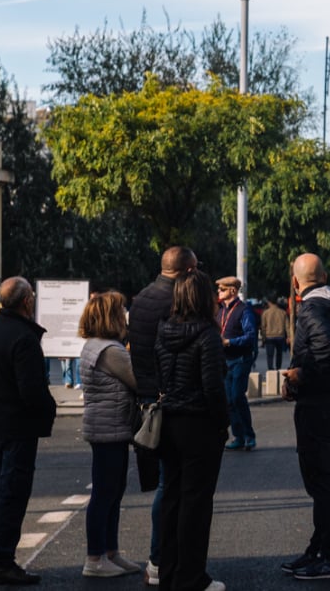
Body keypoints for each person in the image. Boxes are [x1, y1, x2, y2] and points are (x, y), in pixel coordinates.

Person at [0, 277, 57, 585]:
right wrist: (49, 408)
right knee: (13, 492)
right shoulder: (24, 338)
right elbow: (32, 391)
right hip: (18, 425)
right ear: (26, 301)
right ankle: (2, 561)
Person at [280, 253, 330, 581]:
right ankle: (319, 547)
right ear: (325, 276)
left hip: (319, 406)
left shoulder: (312, 309)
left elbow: (323, 348)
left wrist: (300, 375)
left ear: (296, 282)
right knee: (328, 482)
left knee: (322, 484)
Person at [126, 245, 198, 586]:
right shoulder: (179, 301)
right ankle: (163, 558)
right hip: (173, 399)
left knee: (165, 483)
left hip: (145, 398)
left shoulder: (141, 298)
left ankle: (159, 560)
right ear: (187, 270)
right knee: (175, 486)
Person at [155, 270, 229, 591]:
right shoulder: (207, 334)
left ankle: (168, 572)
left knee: (171, 499)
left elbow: (159, 374)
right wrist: (223, 422)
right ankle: (191, 577)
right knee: (196, 504)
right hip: (199, 423)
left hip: (169, 420)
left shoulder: (163, 330)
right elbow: (213, 387)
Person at [77, 291, 141, 579]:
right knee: (105, 493)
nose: (125, 316)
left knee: (112, 491)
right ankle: (95, 557)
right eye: (121, 311)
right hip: (109, 426)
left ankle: (110, 552)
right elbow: (137, 380)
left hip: (106, 425)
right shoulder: (110, 351)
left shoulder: (95, 345)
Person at [217, 276, 258, 451]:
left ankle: (249, 435)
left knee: (237, 396)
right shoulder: (221, 311)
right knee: (228, 400)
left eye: (222, 289)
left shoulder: (244, 310)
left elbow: (250, 336)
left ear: (232, 291)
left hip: (240, 359)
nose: (218, 292)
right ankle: (238, 436)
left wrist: (229, 342)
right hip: (225, 361)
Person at [260, 297, 291, 372]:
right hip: (280, 336)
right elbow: (287, 326)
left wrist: (263, 338)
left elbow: (263, 326)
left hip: (269, 336)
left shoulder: (265, 313)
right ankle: (278, 368)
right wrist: (289, 336)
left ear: (269, 302)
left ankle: (270, 369)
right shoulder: (283, 312)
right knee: (279, 354)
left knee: (270, 355)